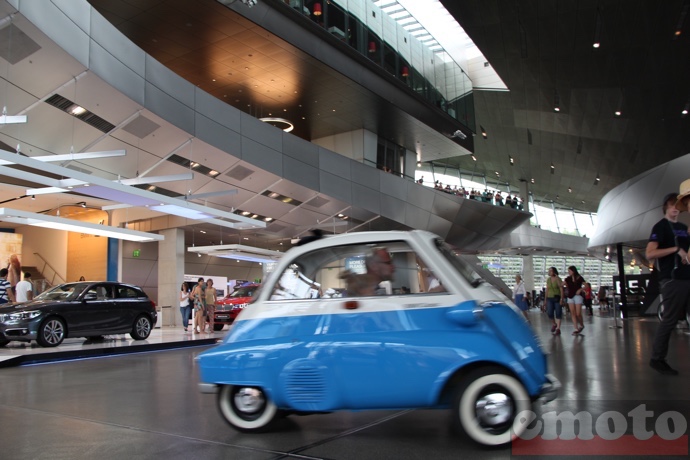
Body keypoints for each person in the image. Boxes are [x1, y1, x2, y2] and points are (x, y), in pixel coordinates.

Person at [646, 189, 690, 375]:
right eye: (672, 205)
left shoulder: (682, 227)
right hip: (672, 279)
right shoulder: (660, 227)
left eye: (678, 205)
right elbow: (650, 254)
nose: (676, 208)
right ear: (666, 207)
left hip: (687, 276)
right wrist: (675, 249)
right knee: (670, 318)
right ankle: (657, 358)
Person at [564, 266, 586, 335]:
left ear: (573, 271)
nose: (569, 272)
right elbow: (562, 284)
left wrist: (580, 289)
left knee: (578, 313)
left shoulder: (579, 278)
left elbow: (586, 285)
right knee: (572, 313)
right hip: (570, 296)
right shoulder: (568, 279)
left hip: (577, 296)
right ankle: (576, 328)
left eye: (570, 271)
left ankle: (581, 324)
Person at [545, 267, 564, 335]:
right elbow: (547, 289)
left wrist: (562, 298)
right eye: (549, 271)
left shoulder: (558, 279)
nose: (549, 272)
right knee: (550, 313)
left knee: (558, 313)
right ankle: (554, 324)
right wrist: (545, 299)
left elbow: (561, 289)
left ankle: (558, 328)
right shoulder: (548, 280)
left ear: (554, 271)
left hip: (557, 298)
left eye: (551, 271)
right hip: (550, 298)